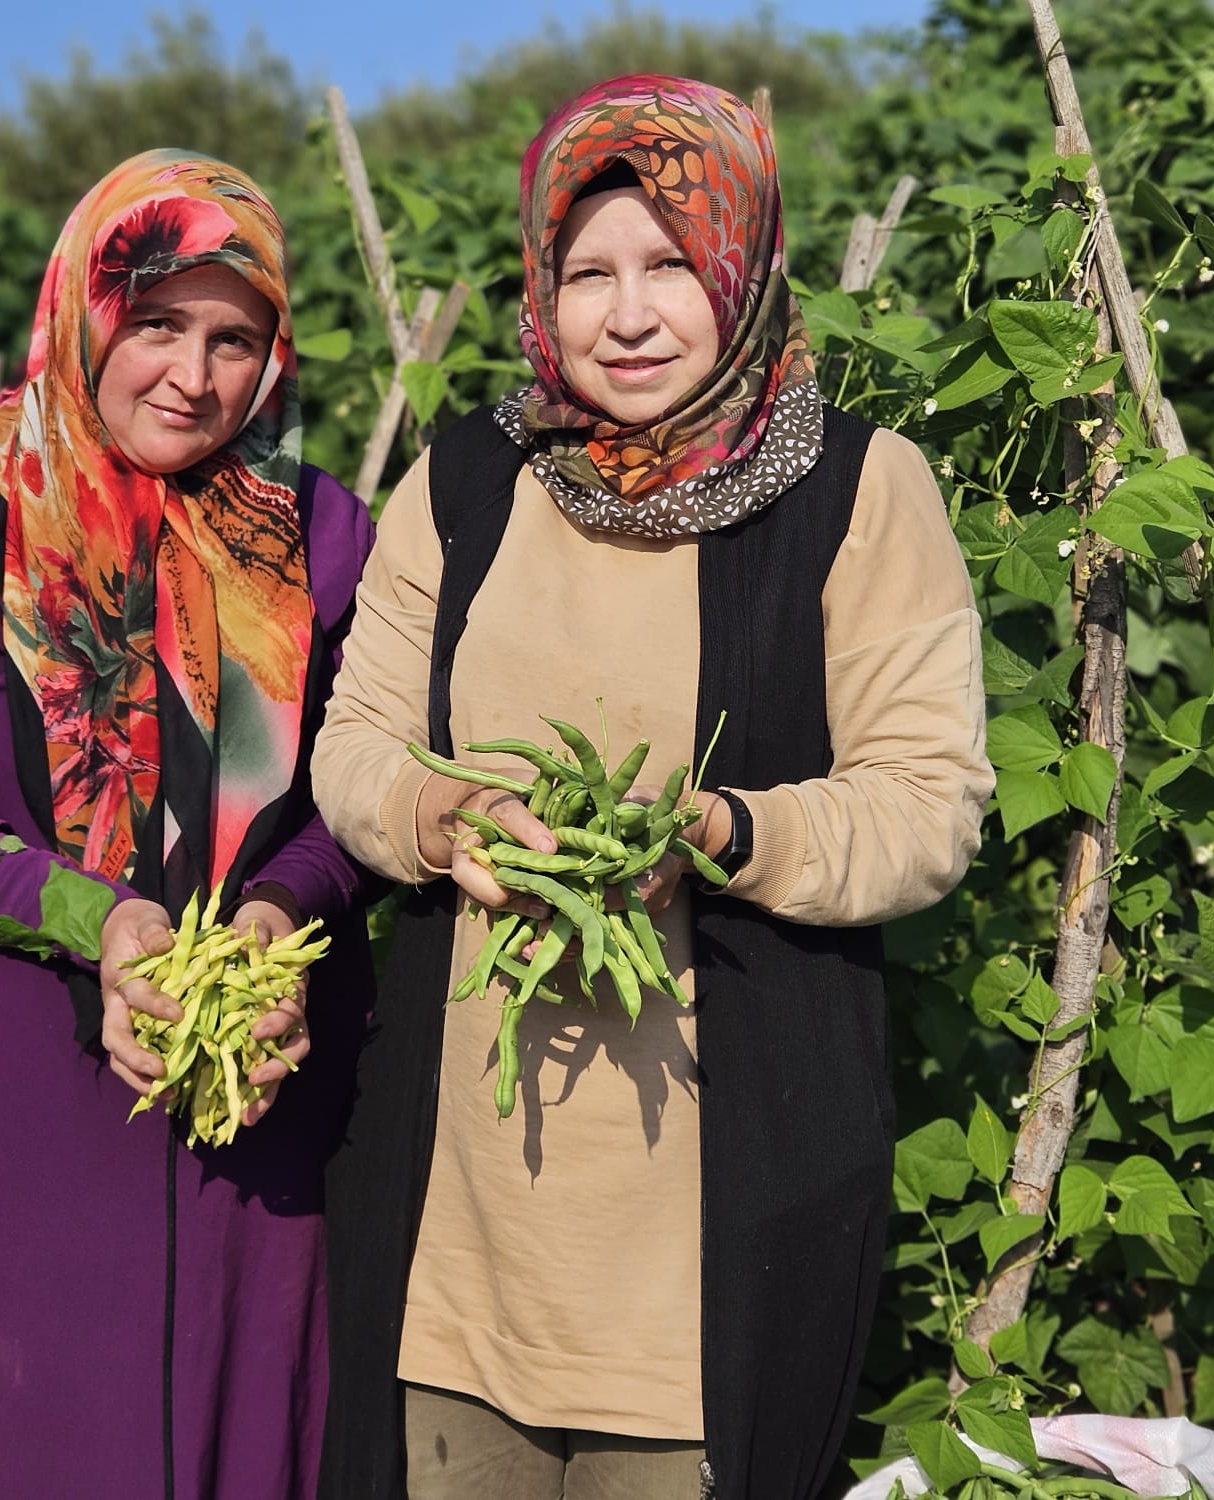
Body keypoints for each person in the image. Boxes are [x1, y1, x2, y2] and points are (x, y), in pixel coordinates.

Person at [311, 76, 993, 1500]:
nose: (627, 315)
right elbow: (357, 742)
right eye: (588, 272)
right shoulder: (469, 482)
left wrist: (726, 831)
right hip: (466, 1236)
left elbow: (929, 802)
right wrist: (445, 821)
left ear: (739, 267)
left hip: (711, 1239)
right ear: (540, 288)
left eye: (672, 264)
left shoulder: (858, 492)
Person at [0, 151, 376, 1500]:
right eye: (155, 323)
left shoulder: (319, 537)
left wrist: (273, 917)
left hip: (236, 1089)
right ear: (87, 312)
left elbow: (350, 796)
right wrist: (98, 919)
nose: (192, 377)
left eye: (235, 339)